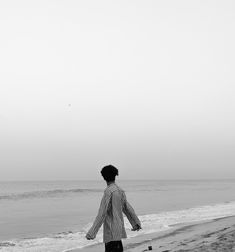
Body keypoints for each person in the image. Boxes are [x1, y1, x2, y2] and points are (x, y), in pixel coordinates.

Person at [86, 165, 141, 252]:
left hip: (110, 234)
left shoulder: (108, 191)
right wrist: (136, 223)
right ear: (115, 176)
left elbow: (102, 213)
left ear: (104, 177)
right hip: (118, 231)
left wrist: (92, 233)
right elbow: (127, 208)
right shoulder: (120, 190)